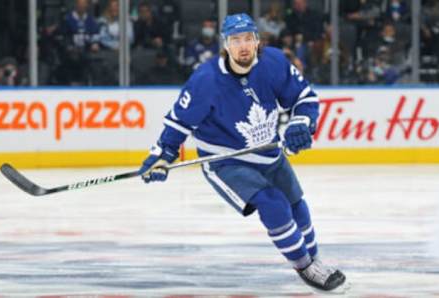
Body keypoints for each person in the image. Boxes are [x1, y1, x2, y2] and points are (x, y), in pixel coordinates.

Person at [138, 13, 346, 292]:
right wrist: (161, 155)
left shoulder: (272, 62)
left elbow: (304, 98)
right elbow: (178, 122)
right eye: (236, 40)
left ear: (258, 41)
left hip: (268, 153)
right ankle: (304, 266)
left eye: (248, 38)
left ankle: (315, 260)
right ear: (225, 45)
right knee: (274, 204)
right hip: (227, 161)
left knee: (297, 204)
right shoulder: (206, 80)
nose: (243, 45)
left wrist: (301, 123)